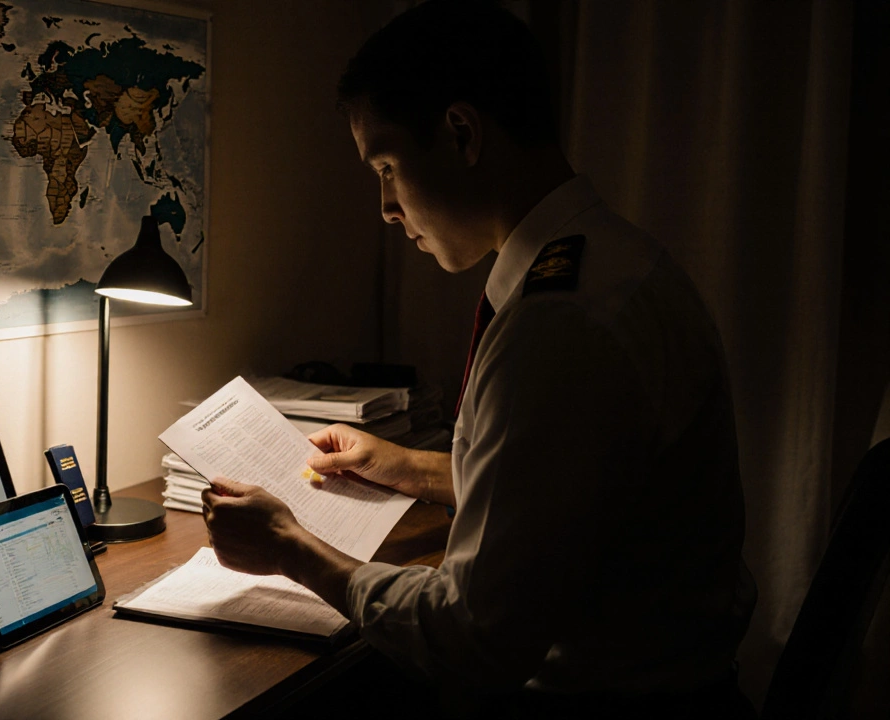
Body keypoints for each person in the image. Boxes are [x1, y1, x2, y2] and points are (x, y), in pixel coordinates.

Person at [200, 1, 757, 716]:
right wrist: (407, 466)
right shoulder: (617, 263)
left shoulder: (558, 327)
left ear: (461, 133)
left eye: (389, 167)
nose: (385, 208)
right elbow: (567, 488)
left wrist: (291, 548)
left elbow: (475, 637)